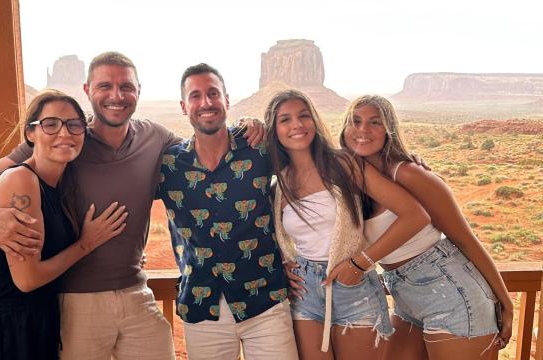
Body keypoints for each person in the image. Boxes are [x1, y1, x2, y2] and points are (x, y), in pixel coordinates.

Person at [0, 52, 264, 360]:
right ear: (88, 90)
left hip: (135, 293)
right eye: (105, 86)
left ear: (138, 91)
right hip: (75, 302)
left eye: (126, 87)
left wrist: (245, 126)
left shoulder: (155, 138)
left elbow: (204, 148)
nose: (117, 96)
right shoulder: (64, 138)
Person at [0, 89, 127, 359]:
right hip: (3, 332)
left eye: (74, 124)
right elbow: (27, 279)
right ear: (30, 134)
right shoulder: (21, 181)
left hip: (36, 323)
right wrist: (87, 243)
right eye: (50, 124)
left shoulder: (60, 184)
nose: (64, 133)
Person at [339, 95, 513, 360]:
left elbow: (465, 239)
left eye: (375, 122)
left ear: (389, 130)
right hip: (406, 299)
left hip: (453, 295)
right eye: (356, 121)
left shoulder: (409, 174)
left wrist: (506, 302)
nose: (363, 130)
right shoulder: (352, 175)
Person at [265, 89, 431, 360]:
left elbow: (416, 215)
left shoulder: (344, 164)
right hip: (304, 292)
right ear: (275, 130)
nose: (296, 125)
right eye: (285, 119)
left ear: (314, 121)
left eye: (303, 115)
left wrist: (361, 263)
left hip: (354, 288)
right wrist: (281, 266)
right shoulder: (278, 185)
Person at [156, 63, 298, 360]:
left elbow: (312, 166)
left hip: (265, 303)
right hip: (202, 306)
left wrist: (394, 162)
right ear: (184, 106)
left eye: (213, 93)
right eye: (195, 96)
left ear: (226, 100)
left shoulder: (259, 149)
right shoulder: (168, 165)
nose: (206, 102)